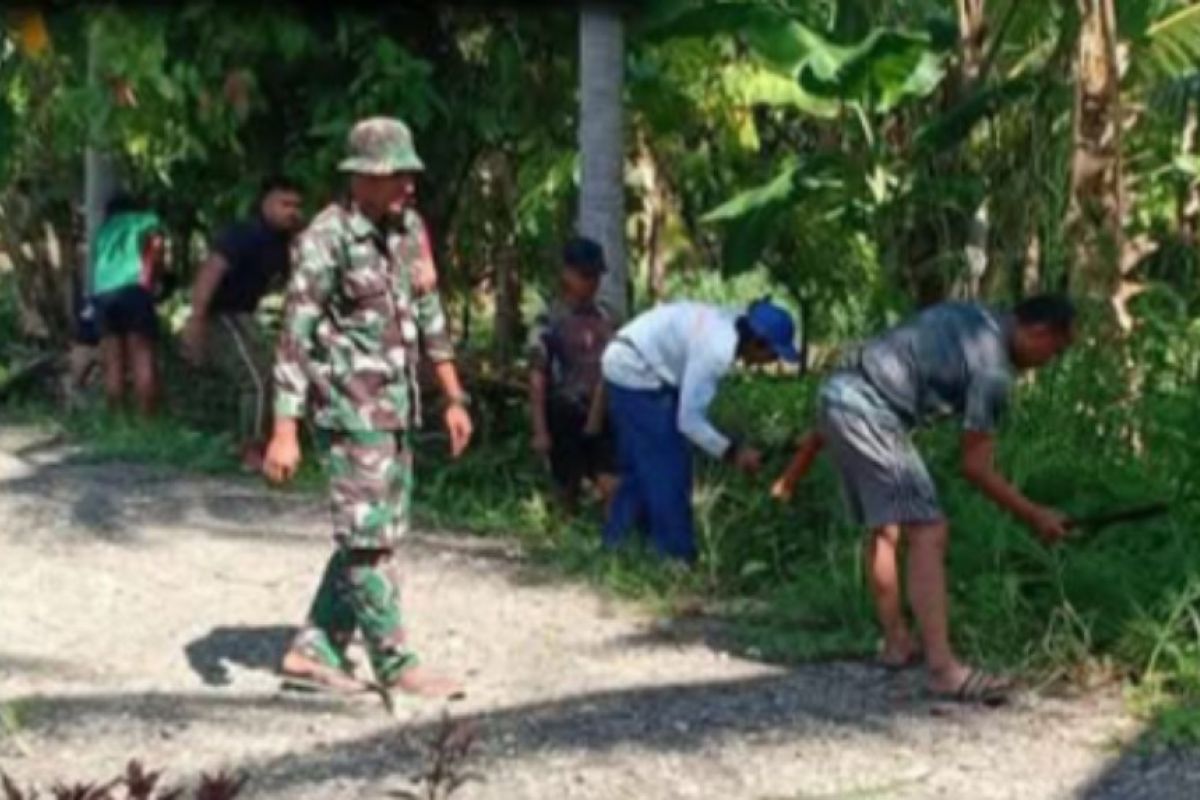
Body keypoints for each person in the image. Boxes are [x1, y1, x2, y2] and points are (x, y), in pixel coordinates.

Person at [262, 117, 472, 699]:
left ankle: (312, 651)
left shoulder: (409, 232)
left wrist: (452, 395)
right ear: (363, 178)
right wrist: (284, 429)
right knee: (368, 540)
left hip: (396, 411)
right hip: (349, 413)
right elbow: (294, 336)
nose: (408, 183)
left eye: (409, 172)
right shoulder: (326, 239)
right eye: (396, 173)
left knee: (375, 534)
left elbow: (430, 316)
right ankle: (396, 664)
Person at [805, 295, 1076, 704]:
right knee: (929, 529)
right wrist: (1035, 514)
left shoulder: (977, 315)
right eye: (1053, 351)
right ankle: (943, 670)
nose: (1048, 361)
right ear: (1037, 331)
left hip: (835, 396)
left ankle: (897, 643)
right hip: (869, 410)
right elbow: (975, 466)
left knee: (886, 524)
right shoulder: (994, 369)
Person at [601, 298, 801, 562]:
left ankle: (618, 546)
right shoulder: (717, 349)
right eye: (772, 354)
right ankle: (675, 559)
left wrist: (730, 444)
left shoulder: (732, 325)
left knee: (643, 467)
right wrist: (733, 453)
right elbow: (690, 421)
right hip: (635, 369)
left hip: (636, 360)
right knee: (669, 465)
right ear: (758, 342)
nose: (770, 361)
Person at [181, 176, 305, 471]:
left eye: (296, 206)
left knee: (271, 377)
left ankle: (254, 443)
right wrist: (195, 322)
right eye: (284, 204)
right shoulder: (244, 234)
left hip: (244, 315)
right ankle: (251, 450)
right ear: (265, 204)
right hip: (220, 314)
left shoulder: (283, 243)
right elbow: (210, 273)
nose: (292, 212)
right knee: (256, 379)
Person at [527, 235, 618, 514]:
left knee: (611, 485)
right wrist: (540, 430)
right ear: (567, 273)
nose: (591, 283)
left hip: (604, 414)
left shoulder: (607, 317)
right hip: (565, 414)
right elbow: (537, 377)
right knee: (567, 489)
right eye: (585, 275)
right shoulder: (548, 320)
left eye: (595, 276)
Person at [88, 194, 168, 416]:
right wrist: (153, 278)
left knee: (113, 361)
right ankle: (147, 421)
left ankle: (116, 419)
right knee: (141, 355)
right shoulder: (145, 219)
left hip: (103, 294)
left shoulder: (103, 231)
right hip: (133, 290)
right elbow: (157, 246)